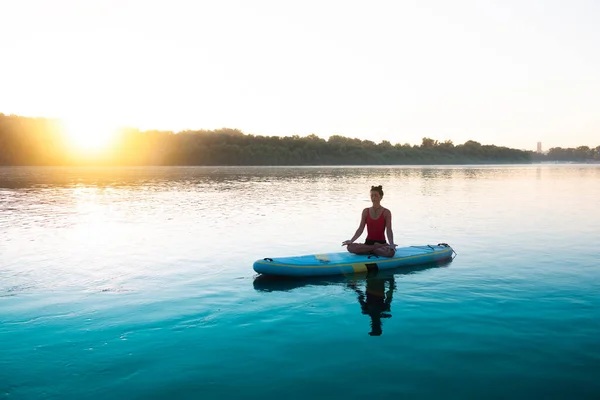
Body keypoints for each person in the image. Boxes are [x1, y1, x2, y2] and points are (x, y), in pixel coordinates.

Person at [342, 185, 396, 257]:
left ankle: (369, 250)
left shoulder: (386, 212)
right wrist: (351, 240)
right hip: (369, 243)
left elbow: (389, 230)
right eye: (372, 196)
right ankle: (375, 248)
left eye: (376, 195)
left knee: (390, 253)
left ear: (381, 197)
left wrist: (391, 244)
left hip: (381, 242)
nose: (373, 198)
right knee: (350, 247)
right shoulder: (365, 211)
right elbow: (360, 228)